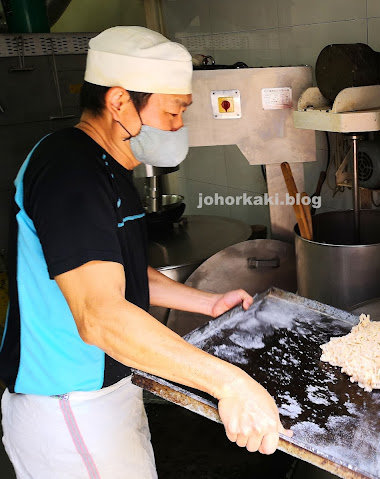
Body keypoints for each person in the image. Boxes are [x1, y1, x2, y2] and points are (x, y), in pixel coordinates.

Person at [0, 26, 291, 478]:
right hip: (69, 404)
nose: (179, 126)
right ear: (119, 102)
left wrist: (207, 302)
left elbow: (121, 271)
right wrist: (229, 383)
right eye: (173, 111)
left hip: (106, 392)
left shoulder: (107, 167)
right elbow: (100, 314)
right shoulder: (70, 172)